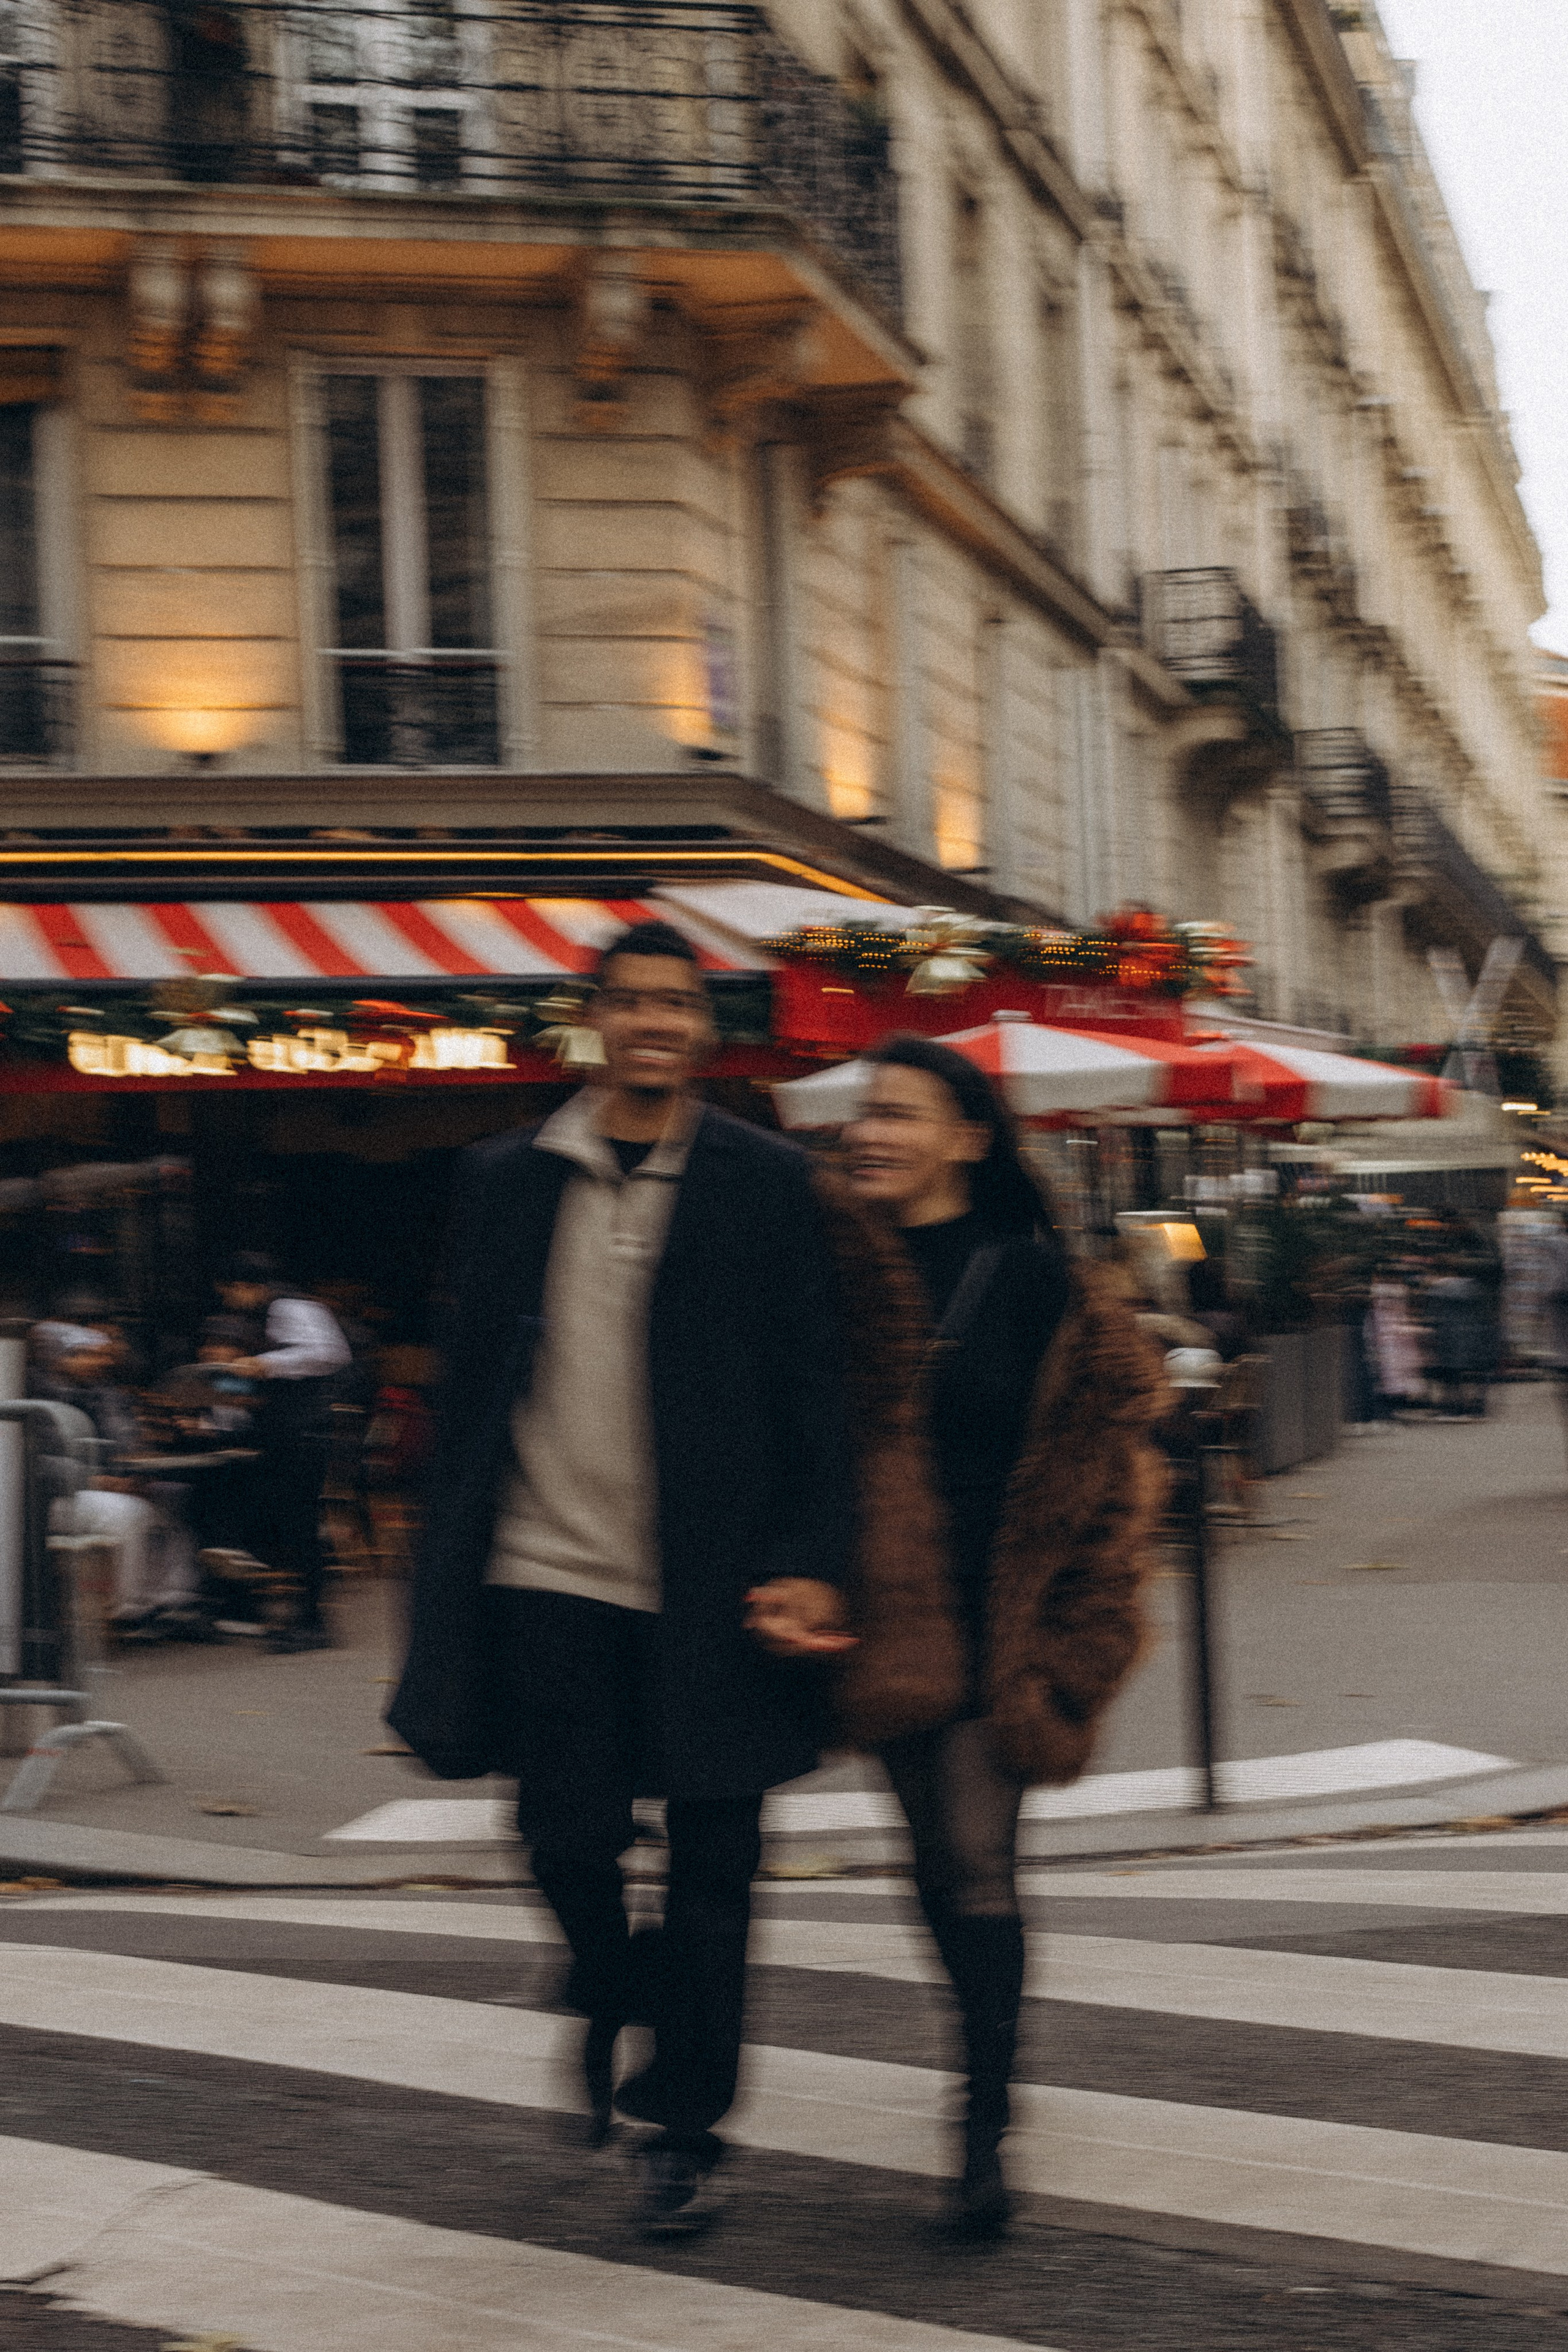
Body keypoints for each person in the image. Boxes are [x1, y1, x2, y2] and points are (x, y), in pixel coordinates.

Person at [389, 919, 865, 2241]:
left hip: (717, 1588)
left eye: (678, 1002)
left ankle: (683, 2128)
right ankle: (613, 1982)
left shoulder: (766, 1182)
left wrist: (814, 1564)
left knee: (718, 1867)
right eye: (630, 999)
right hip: (545, 1571)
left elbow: (814, 1395)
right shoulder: (502, 1178)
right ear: (591, 1020)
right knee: (561, 1837)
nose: (654, 1019)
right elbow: (471, 1380)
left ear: (705, 1032)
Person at [840, 1035, 1168, 2240]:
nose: (868, 1132)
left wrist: (1077, 1640)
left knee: (975, 1856)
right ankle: (977, 2057)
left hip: (998, 1623)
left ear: (966, 1138)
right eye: (863, 1112)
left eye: (898, 1113)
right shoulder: (831, 1267)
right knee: (930, 1862)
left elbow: (1107, 1477)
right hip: (879, 1621)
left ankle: (979, 2132)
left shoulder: (1033, 1279)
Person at [217, 1254, 351, 1652]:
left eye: (230, 1292)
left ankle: (313, 1623)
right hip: (280, 1433)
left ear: (245, 1285)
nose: (230, 1302)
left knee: (300, 1525)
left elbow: (329, 1353)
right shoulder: (264, 1316)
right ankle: (296, 1615)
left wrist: (263, 1364)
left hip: (302, 1432)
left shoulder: (292, 1307)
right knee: (282, 1523)